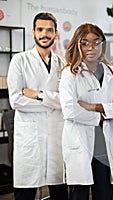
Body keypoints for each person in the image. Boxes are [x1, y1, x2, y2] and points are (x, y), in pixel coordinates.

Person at [59, 23, 113, 200]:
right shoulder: (70, 74)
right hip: (80, 144)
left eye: (96, 42)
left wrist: (98, 108)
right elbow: (70, 110)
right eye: (85, 43)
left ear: (102, 44)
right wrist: (104, 113)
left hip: (105, 147)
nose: (91, 48)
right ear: (77, 45)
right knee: (79, 195)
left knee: (105, 194)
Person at [7, 12, 68, 200]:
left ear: (56, 34)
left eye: (50, 30)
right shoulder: (20, 60)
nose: (45, 34)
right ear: (33, 32)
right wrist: (53, 102)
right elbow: (16, 100)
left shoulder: (63, 63)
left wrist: (37, 95)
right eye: (40, 29)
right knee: (25, 191)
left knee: (59, 190)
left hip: (56, 135)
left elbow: (66, 101)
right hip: (30, 136)